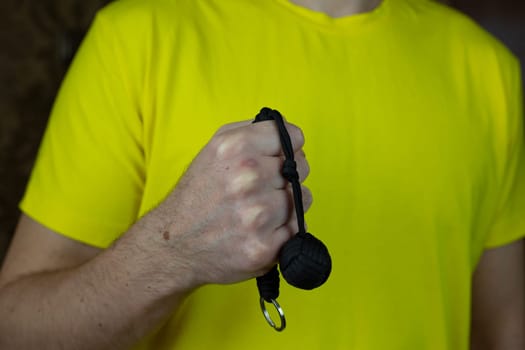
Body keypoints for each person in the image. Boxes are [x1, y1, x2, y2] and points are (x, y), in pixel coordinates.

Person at [0, 0, 523, 348]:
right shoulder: (136, 36)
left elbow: (504, 326)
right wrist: (171, 254)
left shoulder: (487, 69)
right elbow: (16, 327)